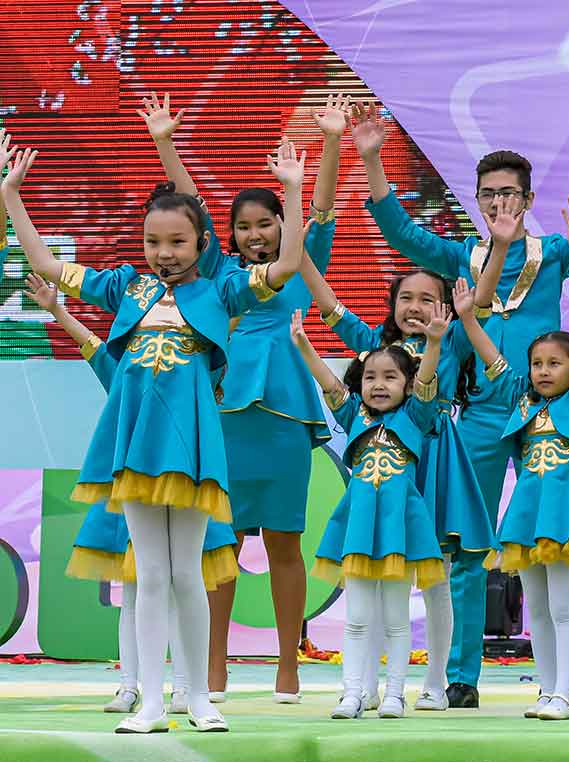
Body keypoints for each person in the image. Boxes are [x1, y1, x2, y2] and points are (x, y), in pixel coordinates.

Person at [7, 133, 306, 733]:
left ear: (203, 243)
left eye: (177, 242)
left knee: (187, 574)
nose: (163, 253)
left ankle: (198, 699)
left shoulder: (221, 289)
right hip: (138, 448)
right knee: (149, 577)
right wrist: (11, 196)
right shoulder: (126, 286)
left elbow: (289, 265)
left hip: (192, 448)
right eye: (152, 242)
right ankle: (149, 701)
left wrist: (294, 193)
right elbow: (46, 265)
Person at [354, 99, 569, 709]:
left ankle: (558, 680)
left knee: (553, 543)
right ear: (477, 200)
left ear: (527, 199)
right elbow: (401, 233)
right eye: (488, 194)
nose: (498, 202)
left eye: (509, 193)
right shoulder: (463, 257)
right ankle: (461, 677)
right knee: (467, 548)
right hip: (481, 414)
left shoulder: (554, 253)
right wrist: (373, 159)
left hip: (544, 417)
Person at [141, 93, 347, 704]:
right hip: (224, 417)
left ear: (283, 226)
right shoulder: (222, 277)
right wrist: (164, 143)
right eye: (244, 226)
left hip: (284, 418)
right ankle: (214, 669)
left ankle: (288, 666)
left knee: (284, 541)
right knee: (220, 546)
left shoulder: (298, 265)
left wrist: (329, 144)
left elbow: (322, 210)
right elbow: (190, 212)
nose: (255, 235)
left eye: (266, 224)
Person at [37, 276, 241, 716]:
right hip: (134, 490)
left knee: (183, 584)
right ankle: (132, 687)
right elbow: (93, 347)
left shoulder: (198, 369)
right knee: (138, 591)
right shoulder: (126, 366)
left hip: (184, 485)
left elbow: (227, 317)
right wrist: (57, 310)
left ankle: (186, 689)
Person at [459, 197, 569, 721]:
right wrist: (467, 319)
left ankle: (563, 693)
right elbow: (491, 357)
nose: (543, 371)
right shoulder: (520, 399)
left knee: (561, 606)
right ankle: (546, 690)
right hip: (527, 516)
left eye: (555, 363)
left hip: (567, 515)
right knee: (536, 609)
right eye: (537, 363)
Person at [305, 263, 483, 711]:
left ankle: (436, 683)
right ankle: (364, 686)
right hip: (383, 472)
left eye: (427, 299)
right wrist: (301, 255)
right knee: (372, 577)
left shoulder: (452, 339)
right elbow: (331, 308)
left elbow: (476, 308)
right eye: (406, 298)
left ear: (444, 307)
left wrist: (497, 249)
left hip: (436, 462)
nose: (415, 307)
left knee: (437, 579)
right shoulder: (376, 348)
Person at [293, 309, 453, 721]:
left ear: (408, 384)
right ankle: (352, 694)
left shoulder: (416, 416)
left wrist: (434, 343)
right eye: (370, 378)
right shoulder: (354, 415)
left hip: (399, 527)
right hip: (360, 529)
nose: (379, 385)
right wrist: (305, 346)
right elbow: (328, 383)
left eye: (390, 377)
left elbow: (427, 379)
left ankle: (395, 695)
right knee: (357, 619)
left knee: (397, 620)